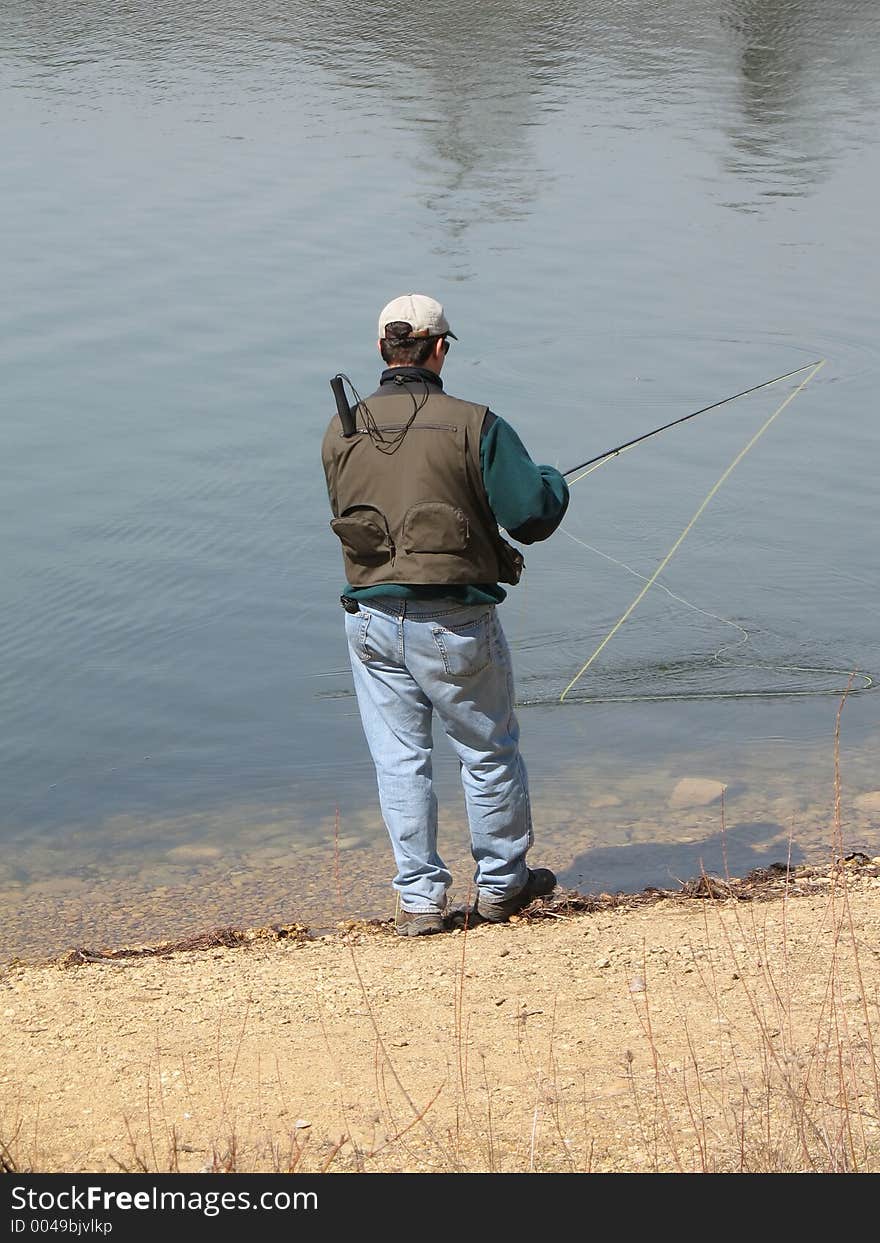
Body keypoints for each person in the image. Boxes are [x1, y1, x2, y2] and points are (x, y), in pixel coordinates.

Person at [321, 294, 570, 936]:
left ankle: (421, 902)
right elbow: (532, 516)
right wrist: (552, 480)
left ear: (383, 351)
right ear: (439, 350)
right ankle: (502, 887)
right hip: (453, 623)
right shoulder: (477, 423)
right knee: (487, 752)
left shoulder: (340, 429)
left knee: (400, 762)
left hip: (369, 621)